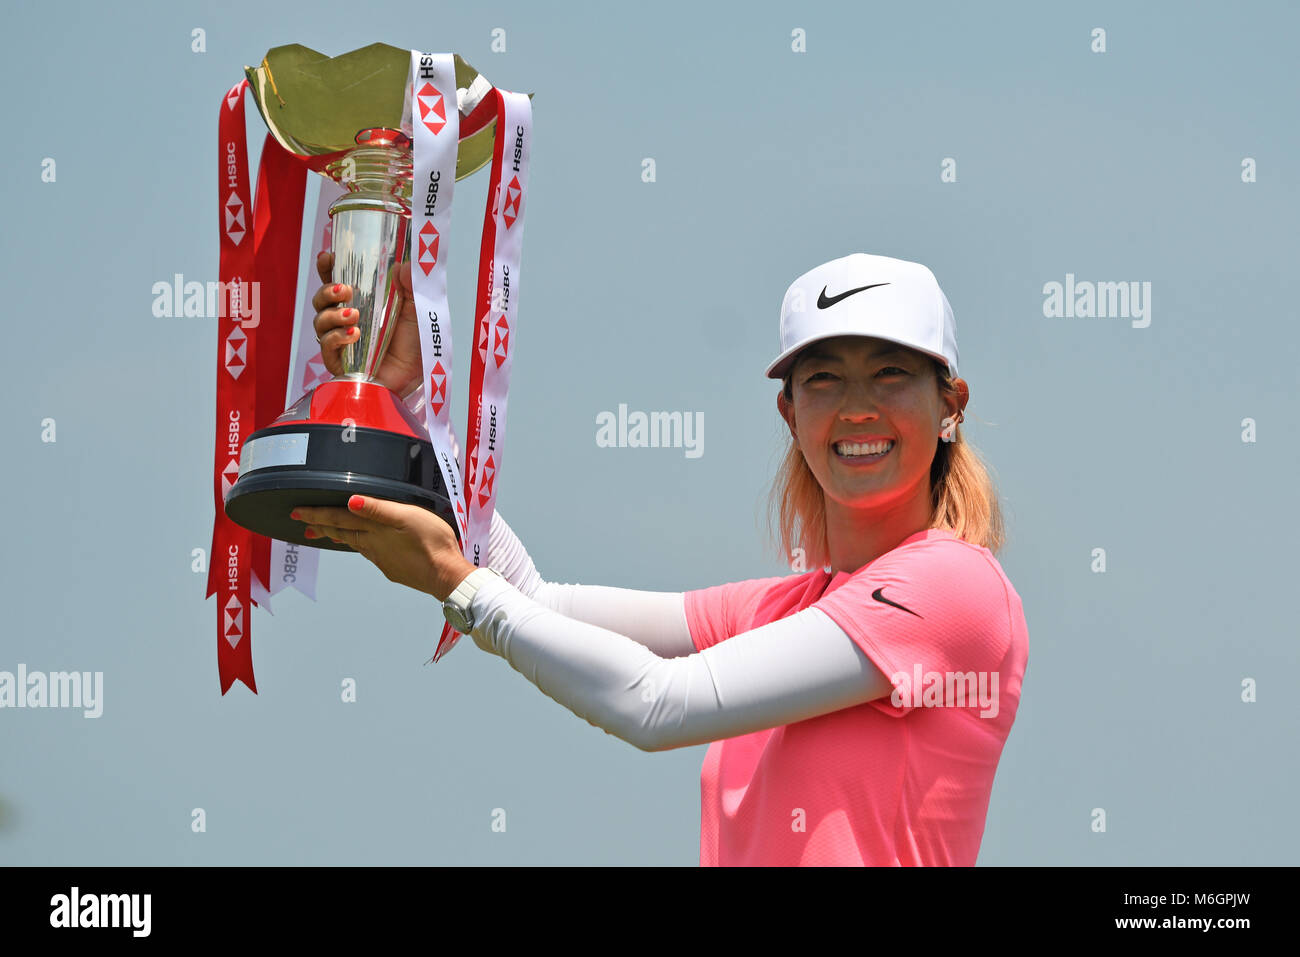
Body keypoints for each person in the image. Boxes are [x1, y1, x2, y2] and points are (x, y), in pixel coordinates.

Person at [291, 251, 1030, 867]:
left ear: (951, 404)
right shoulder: (784, 608)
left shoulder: (953, 587)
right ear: (790, 411)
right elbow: (537, 598)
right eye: (825, 377)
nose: (857, 407)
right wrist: (411, 402)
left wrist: (461, 586)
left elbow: (658, 703)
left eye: (892, 373)